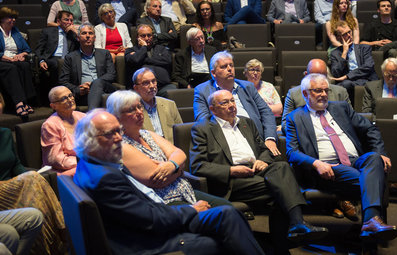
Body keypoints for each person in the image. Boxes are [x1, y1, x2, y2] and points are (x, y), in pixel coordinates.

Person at [73, 109, 265, 255]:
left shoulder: (93, 164)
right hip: (149, 241)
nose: (118, 139)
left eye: (118, 131)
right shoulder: (104, 178)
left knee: (226, 213)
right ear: (88, 140)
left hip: (153, 219)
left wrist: (174, 167)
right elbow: (151, 217)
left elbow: (176, 160)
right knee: (224, 228)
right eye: (109, 134)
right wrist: (192, 209)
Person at [190, 90, 329, 254]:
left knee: (282, 166)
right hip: (232, 181)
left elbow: (263, 150)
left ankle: (291, 231)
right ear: (213, 109)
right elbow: (198, 165)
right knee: (282, 191)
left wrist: (262, 160)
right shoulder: (202, 129)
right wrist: (231, 170)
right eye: (224, 103)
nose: (231, 106)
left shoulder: (246, 123)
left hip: (256, 172)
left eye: (232, 101)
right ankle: (293, 229)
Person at [285, 74, 397, 242]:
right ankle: (372, 221)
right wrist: (316, 163)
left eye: (326, 90)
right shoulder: (295, 117)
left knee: (374, 158)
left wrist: (381, 152)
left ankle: (369, 223)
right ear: (305, 94)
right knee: (375, 179)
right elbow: (291, 152)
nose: (324, 94)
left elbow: (370, 129)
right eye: (318, 90)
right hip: (328, 168)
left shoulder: (341, 108)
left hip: (355, 161)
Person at [106, 90, 230, 208]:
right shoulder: (120, 145)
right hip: (161, 202)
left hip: (186, 191)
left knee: (228, 207)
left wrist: (172, 165)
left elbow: (179, 153)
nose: (139, 112)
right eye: (132, 110)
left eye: (140, 107)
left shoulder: (148, 134)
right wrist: (179, 169)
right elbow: (156, 180)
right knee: (219, 216)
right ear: (116, 116)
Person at [0, 99, 66, 255]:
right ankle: (64, 234)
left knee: (35, 183)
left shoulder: (4, 133)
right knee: (32, 179)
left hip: (11, 188)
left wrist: (32, 178)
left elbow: (15, 164)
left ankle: (48, 248)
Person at [194, 51, 280, 155]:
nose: (229, 69)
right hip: (227, 145)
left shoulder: (247, 87)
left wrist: (270, 138)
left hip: (257, 141)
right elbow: (203, 120)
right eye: (224, 67)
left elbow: (266, 112)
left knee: (282, 166)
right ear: (213, 73)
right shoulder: (203, 91)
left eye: (231, 65)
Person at [281, 58, 351, 133]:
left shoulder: (340, 92)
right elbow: (286, 124)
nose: (319, 80)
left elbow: (350, 119)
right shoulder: (293, 94)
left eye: (323, 76)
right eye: (315, 77)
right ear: (306, 75)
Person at [59, 23, 116, 110]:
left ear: (95, 38)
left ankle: (91, 115)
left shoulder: (105, 54)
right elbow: (63, 81)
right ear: (78, 38)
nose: (88, 36)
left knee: (97, 83)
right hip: (84, 94)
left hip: (105, 89)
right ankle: (93, 115)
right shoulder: (70, 57)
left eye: (90, 33)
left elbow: (111, 74)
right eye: (84, 33)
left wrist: (93, 84)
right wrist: (78, 89)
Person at [0, 7, 35, 119]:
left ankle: (27, 102)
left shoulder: (15, 31)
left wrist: (21, 55)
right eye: (10, 17)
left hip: (14, 60)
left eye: (14, 18)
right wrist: (10, 59)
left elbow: (27, 49)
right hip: (2, 61)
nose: (13, 20)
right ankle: (19, 103)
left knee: (25, 66)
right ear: (2, 19)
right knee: (12, 68)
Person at [41, 86, 85, 176]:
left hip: (86, 164)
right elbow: (56, 159)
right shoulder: (50, 125)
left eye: (70, 95)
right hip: (63, 171)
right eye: (64, 98)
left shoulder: (83, 117)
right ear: (53, 106)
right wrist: (86, 162)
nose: (70, 100)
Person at [132, 67, 183, 142]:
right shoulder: (132, 110)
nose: (152, 86)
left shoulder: (169, 104)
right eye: (146, 83)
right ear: (136, 88)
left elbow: (181, 133)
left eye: (153, 81)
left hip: (172, 150)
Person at [330, 21, 378, 99]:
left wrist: (347, 76)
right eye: (345, 34)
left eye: (349, 32)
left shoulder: (364, 48)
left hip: (366, 79)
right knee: (343, 85)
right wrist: (344, 53)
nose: (349, 35)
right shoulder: (335, 53)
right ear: (338, 38)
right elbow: (336, 73)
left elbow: (369, 66)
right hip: (350, 82)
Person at [125, 24, 175, 96]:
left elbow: (167, 61)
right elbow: (135, 60)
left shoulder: (161, 48)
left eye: (149, 35)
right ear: (137, 37)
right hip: (141, 88)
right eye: (143, 36)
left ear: (153, 36)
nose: (146, 38)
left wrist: (145, 60)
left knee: (172, 90)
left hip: (163, 87)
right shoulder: (130, 50)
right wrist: (144, 47)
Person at [35, 10, 79, 90]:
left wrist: (76, 32)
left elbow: (82, 47)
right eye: (66, 19)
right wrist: (41, 60)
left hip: (69, 58)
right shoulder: (48, 31)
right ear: (58, 21)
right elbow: (39, 49)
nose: (69, 22)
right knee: (58, 64)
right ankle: (59, 90)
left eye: (71, 20)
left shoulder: (73, 34)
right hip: (53, 58)